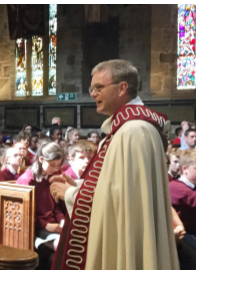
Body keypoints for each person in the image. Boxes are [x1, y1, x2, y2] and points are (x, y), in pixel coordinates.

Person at [51, 59, 179, 270]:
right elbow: (121, 188)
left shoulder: (133, 131)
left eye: (99, 87)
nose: (92, 94)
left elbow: (124, 201)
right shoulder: (130, 127)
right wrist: (80, 187)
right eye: (92, 88)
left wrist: (70, 195)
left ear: (122, 88)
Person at [16, 140, 66, 261]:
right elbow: (22, 215)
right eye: (52, 165)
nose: (55, 169)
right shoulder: (27, 180)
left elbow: (56, 205)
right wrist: (46, 225)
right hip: (34, 227)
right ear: (41, 159)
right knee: (63, 247)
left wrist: (62, 220)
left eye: (58, 165)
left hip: (53, 223)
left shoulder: (53, 176)